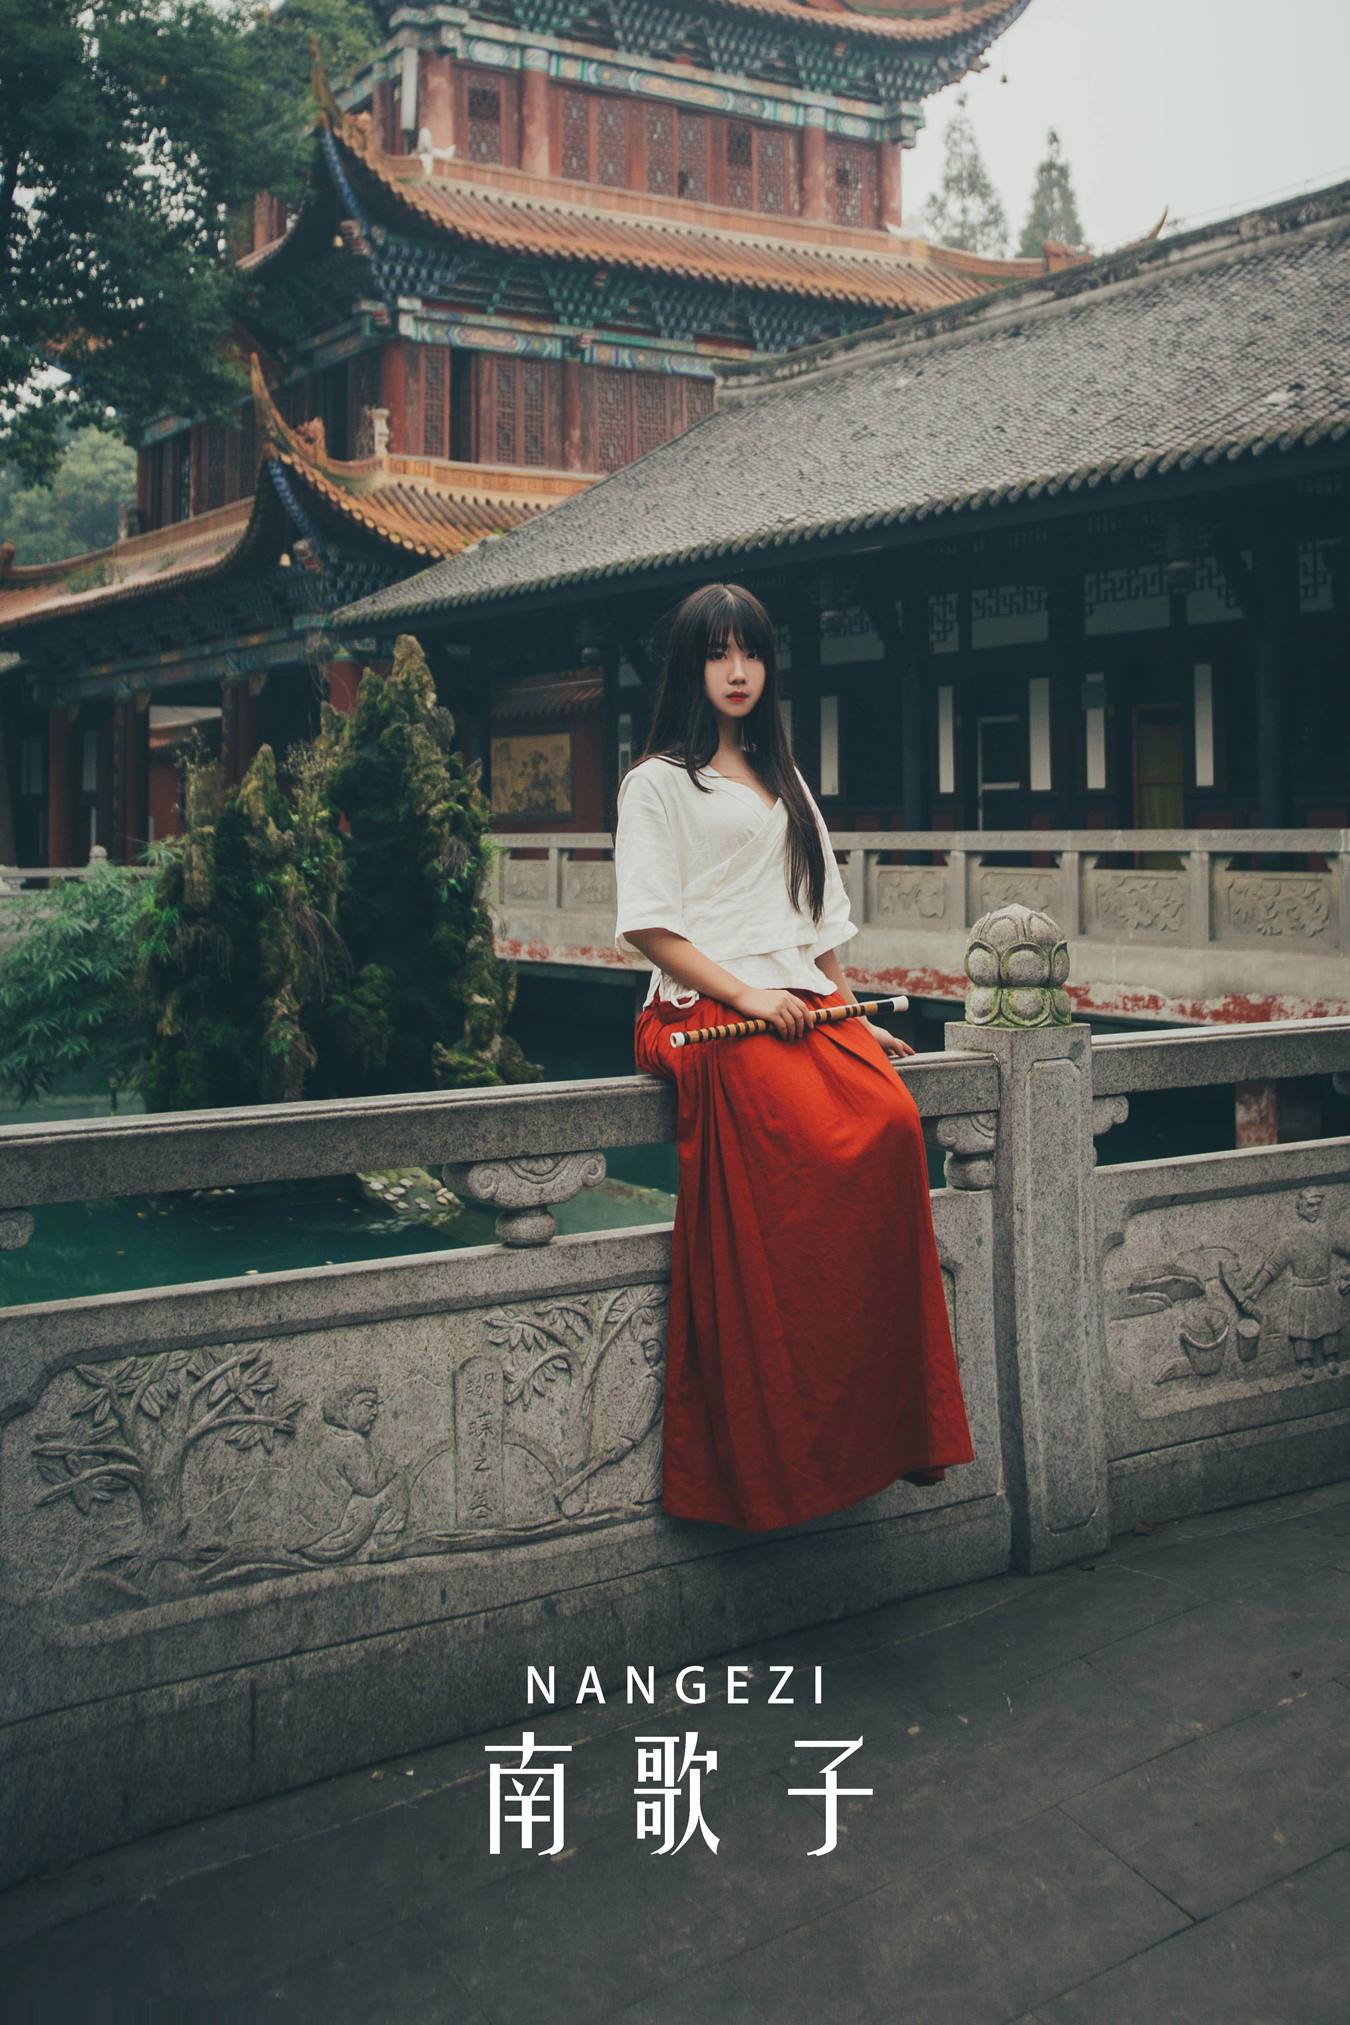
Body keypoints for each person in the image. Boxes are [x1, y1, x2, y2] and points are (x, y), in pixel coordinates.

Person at [613, 581, 975, 1532]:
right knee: (803, 1143)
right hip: (708, 1007)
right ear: (690, 667)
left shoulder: (785, 777)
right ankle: (787, 1432)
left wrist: (845, 1012)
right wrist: (745, 996)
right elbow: (649, 924)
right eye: (717, 653)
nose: (737, 671)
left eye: (752, 653)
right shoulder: (656, 781)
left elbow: (817, 921)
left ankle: (877, 1415)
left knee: (890, 1122)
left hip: (802, 1000)